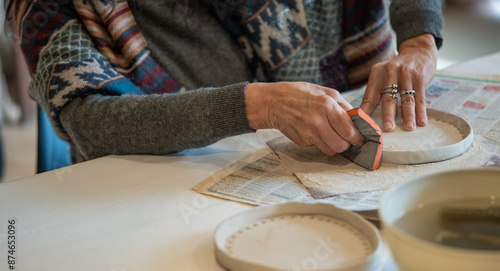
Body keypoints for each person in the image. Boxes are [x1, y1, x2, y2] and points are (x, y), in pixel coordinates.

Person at [5, 0, 442, 163]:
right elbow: (93, 121)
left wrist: (419, 39)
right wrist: (259, 105)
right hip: (164, 192)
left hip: (317, 164)